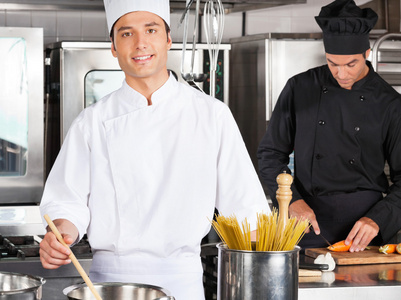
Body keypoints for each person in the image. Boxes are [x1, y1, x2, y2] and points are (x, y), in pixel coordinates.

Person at [39, 1, 270, 299]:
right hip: (109, 284)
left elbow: (246, 212)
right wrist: (59, 236)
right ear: (113, 46)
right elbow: (67, 204)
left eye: (151, 30)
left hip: (182, 281)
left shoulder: (212, 115)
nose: (140, 44)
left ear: (168, 39)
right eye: (126, 34)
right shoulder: (92, 121)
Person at [257, 0, 401, 253]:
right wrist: (292, 201)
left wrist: (378, 219)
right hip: (305, 223)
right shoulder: (300, 88)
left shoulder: (389, 103)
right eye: (333, 63)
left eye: (351, 64)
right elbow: (270, 154)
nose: (341, 74)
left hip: (364, 229)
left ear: (367, 54)